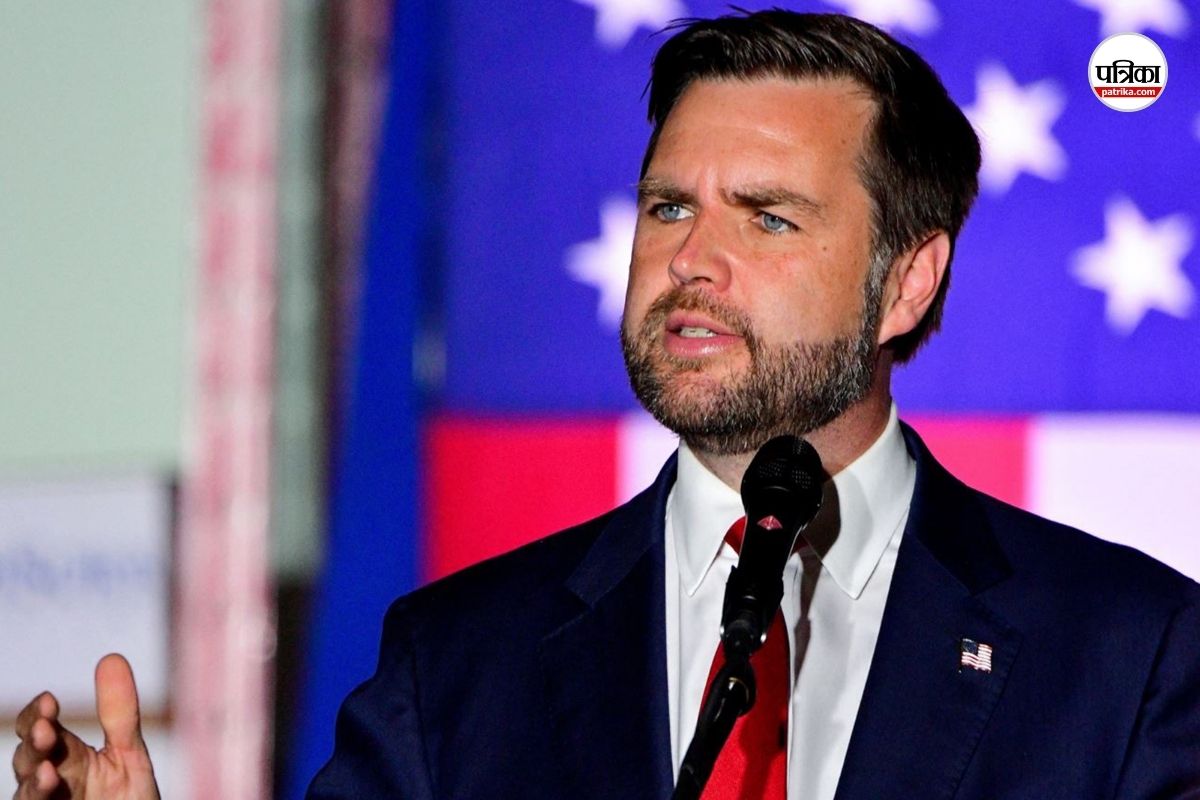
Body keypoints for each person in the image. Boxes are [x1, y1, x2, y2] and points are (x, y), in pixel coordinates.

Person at [13, 10, 1199, 800]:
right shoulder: (457, 663)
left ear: (907, 281)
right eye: (669, 206)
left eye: (767, 216)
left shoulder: (1125, 651)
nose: (690, 259)